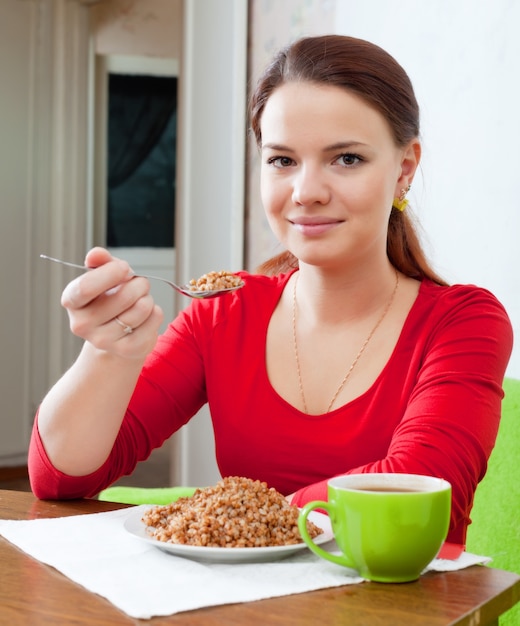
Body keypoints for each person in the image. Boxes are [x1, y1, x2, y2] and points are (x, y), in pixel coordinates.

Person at [29, 35, 513, 550]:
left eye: (346, 159)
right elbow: (62, 479)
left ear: (404, 169)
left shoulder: (465, 321)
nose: (306, 191)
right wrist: (108, 354)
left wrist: (226, 518)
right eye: (282, 160)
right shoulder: (222, 313)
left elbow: (417, 486)